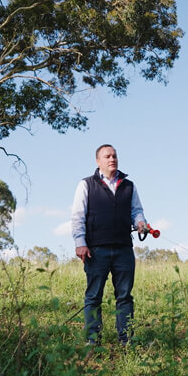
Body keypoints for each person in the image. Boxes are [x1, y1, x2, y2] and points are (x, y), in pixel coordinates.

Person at [71, 144, 148, 345]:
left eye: (114, 156)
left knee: (124, 296)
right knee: (93, 296)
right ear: (98, 161)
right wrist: (80, 243)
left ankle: (126, 340)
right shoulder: (86, 184)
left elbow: (136, 211)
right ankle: (93, 340)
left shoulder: (129, 185)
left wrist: (140, 223)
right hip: (96, 250)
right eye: (107, 156)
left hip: (123, 248)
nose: (112, 159)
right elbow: (77, 216)